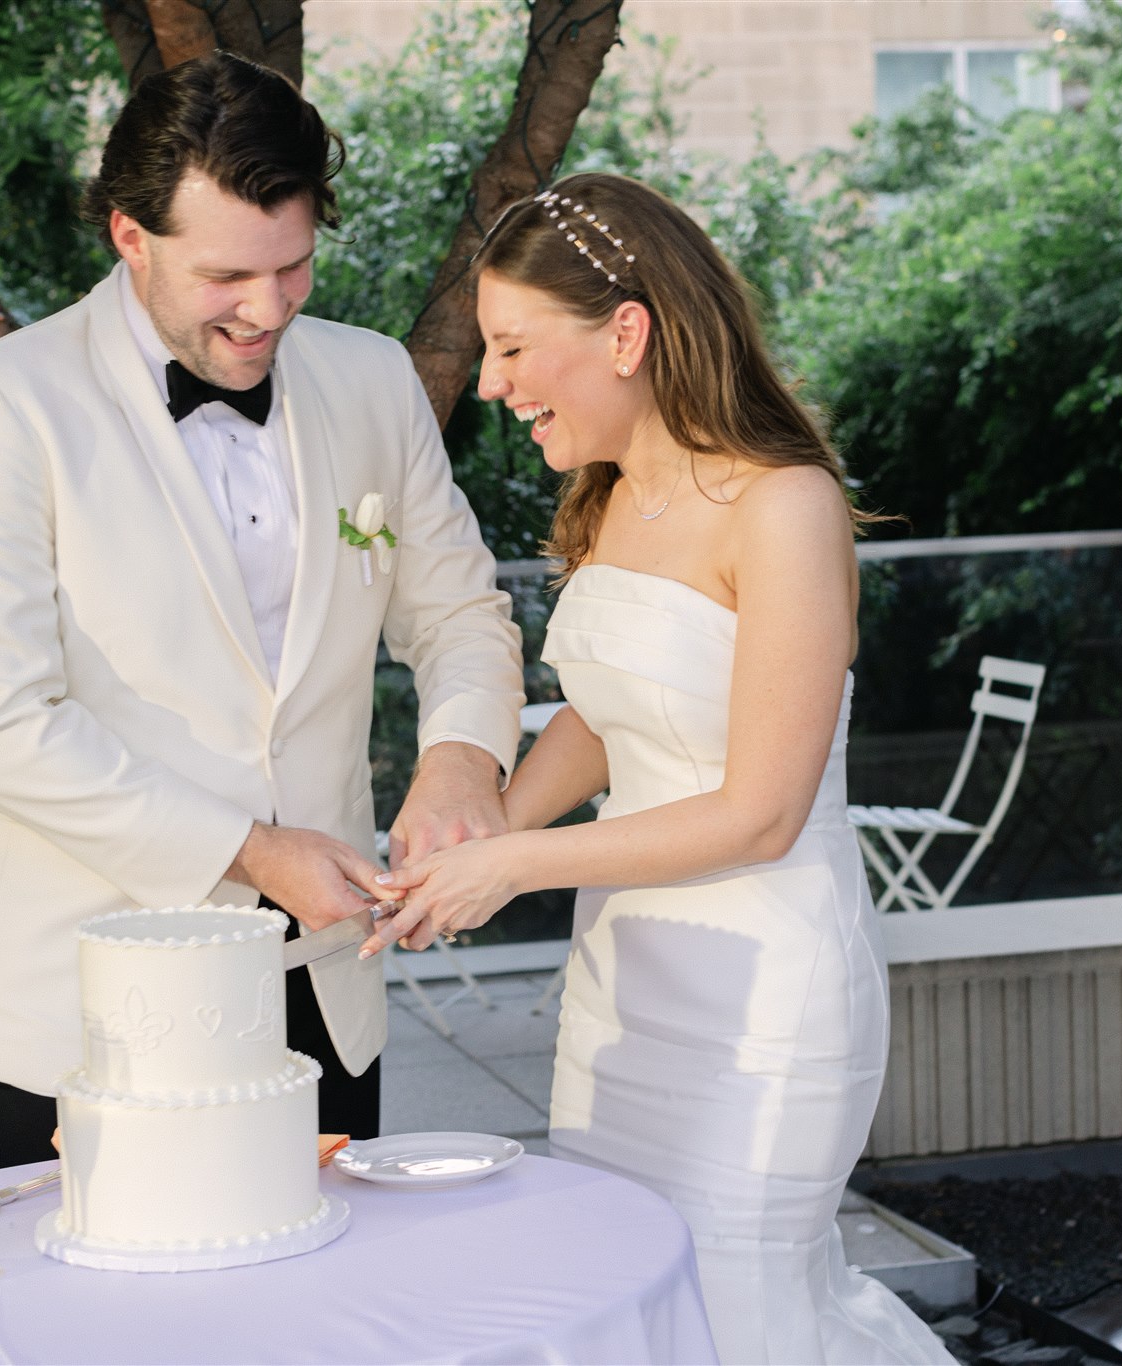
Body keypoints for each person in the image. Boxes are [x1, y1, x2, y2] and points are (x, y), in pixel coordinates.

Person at [366, 173, 954, 1365]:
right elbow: (601, 715)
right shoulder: (610, 498)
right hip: (624, 992)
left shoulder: (786, 507)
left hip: (763, 1005)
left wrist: (515, 865)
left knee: (739, 1313)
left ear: (625, 333)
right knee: (626, 1304)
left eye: (513, 345)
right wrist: (469, 844)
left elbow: (757, 813)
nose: (489, 382)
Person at [0, 52, 523, 1170]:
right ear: (128, 236)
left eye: (292, 267)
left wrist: (460, 759)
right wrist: (247, 850)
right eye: (226, 275)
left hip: (327, 994)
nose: (266, 307)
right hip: (92, 1009)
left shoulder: (372, 378)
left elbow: (461, 616)